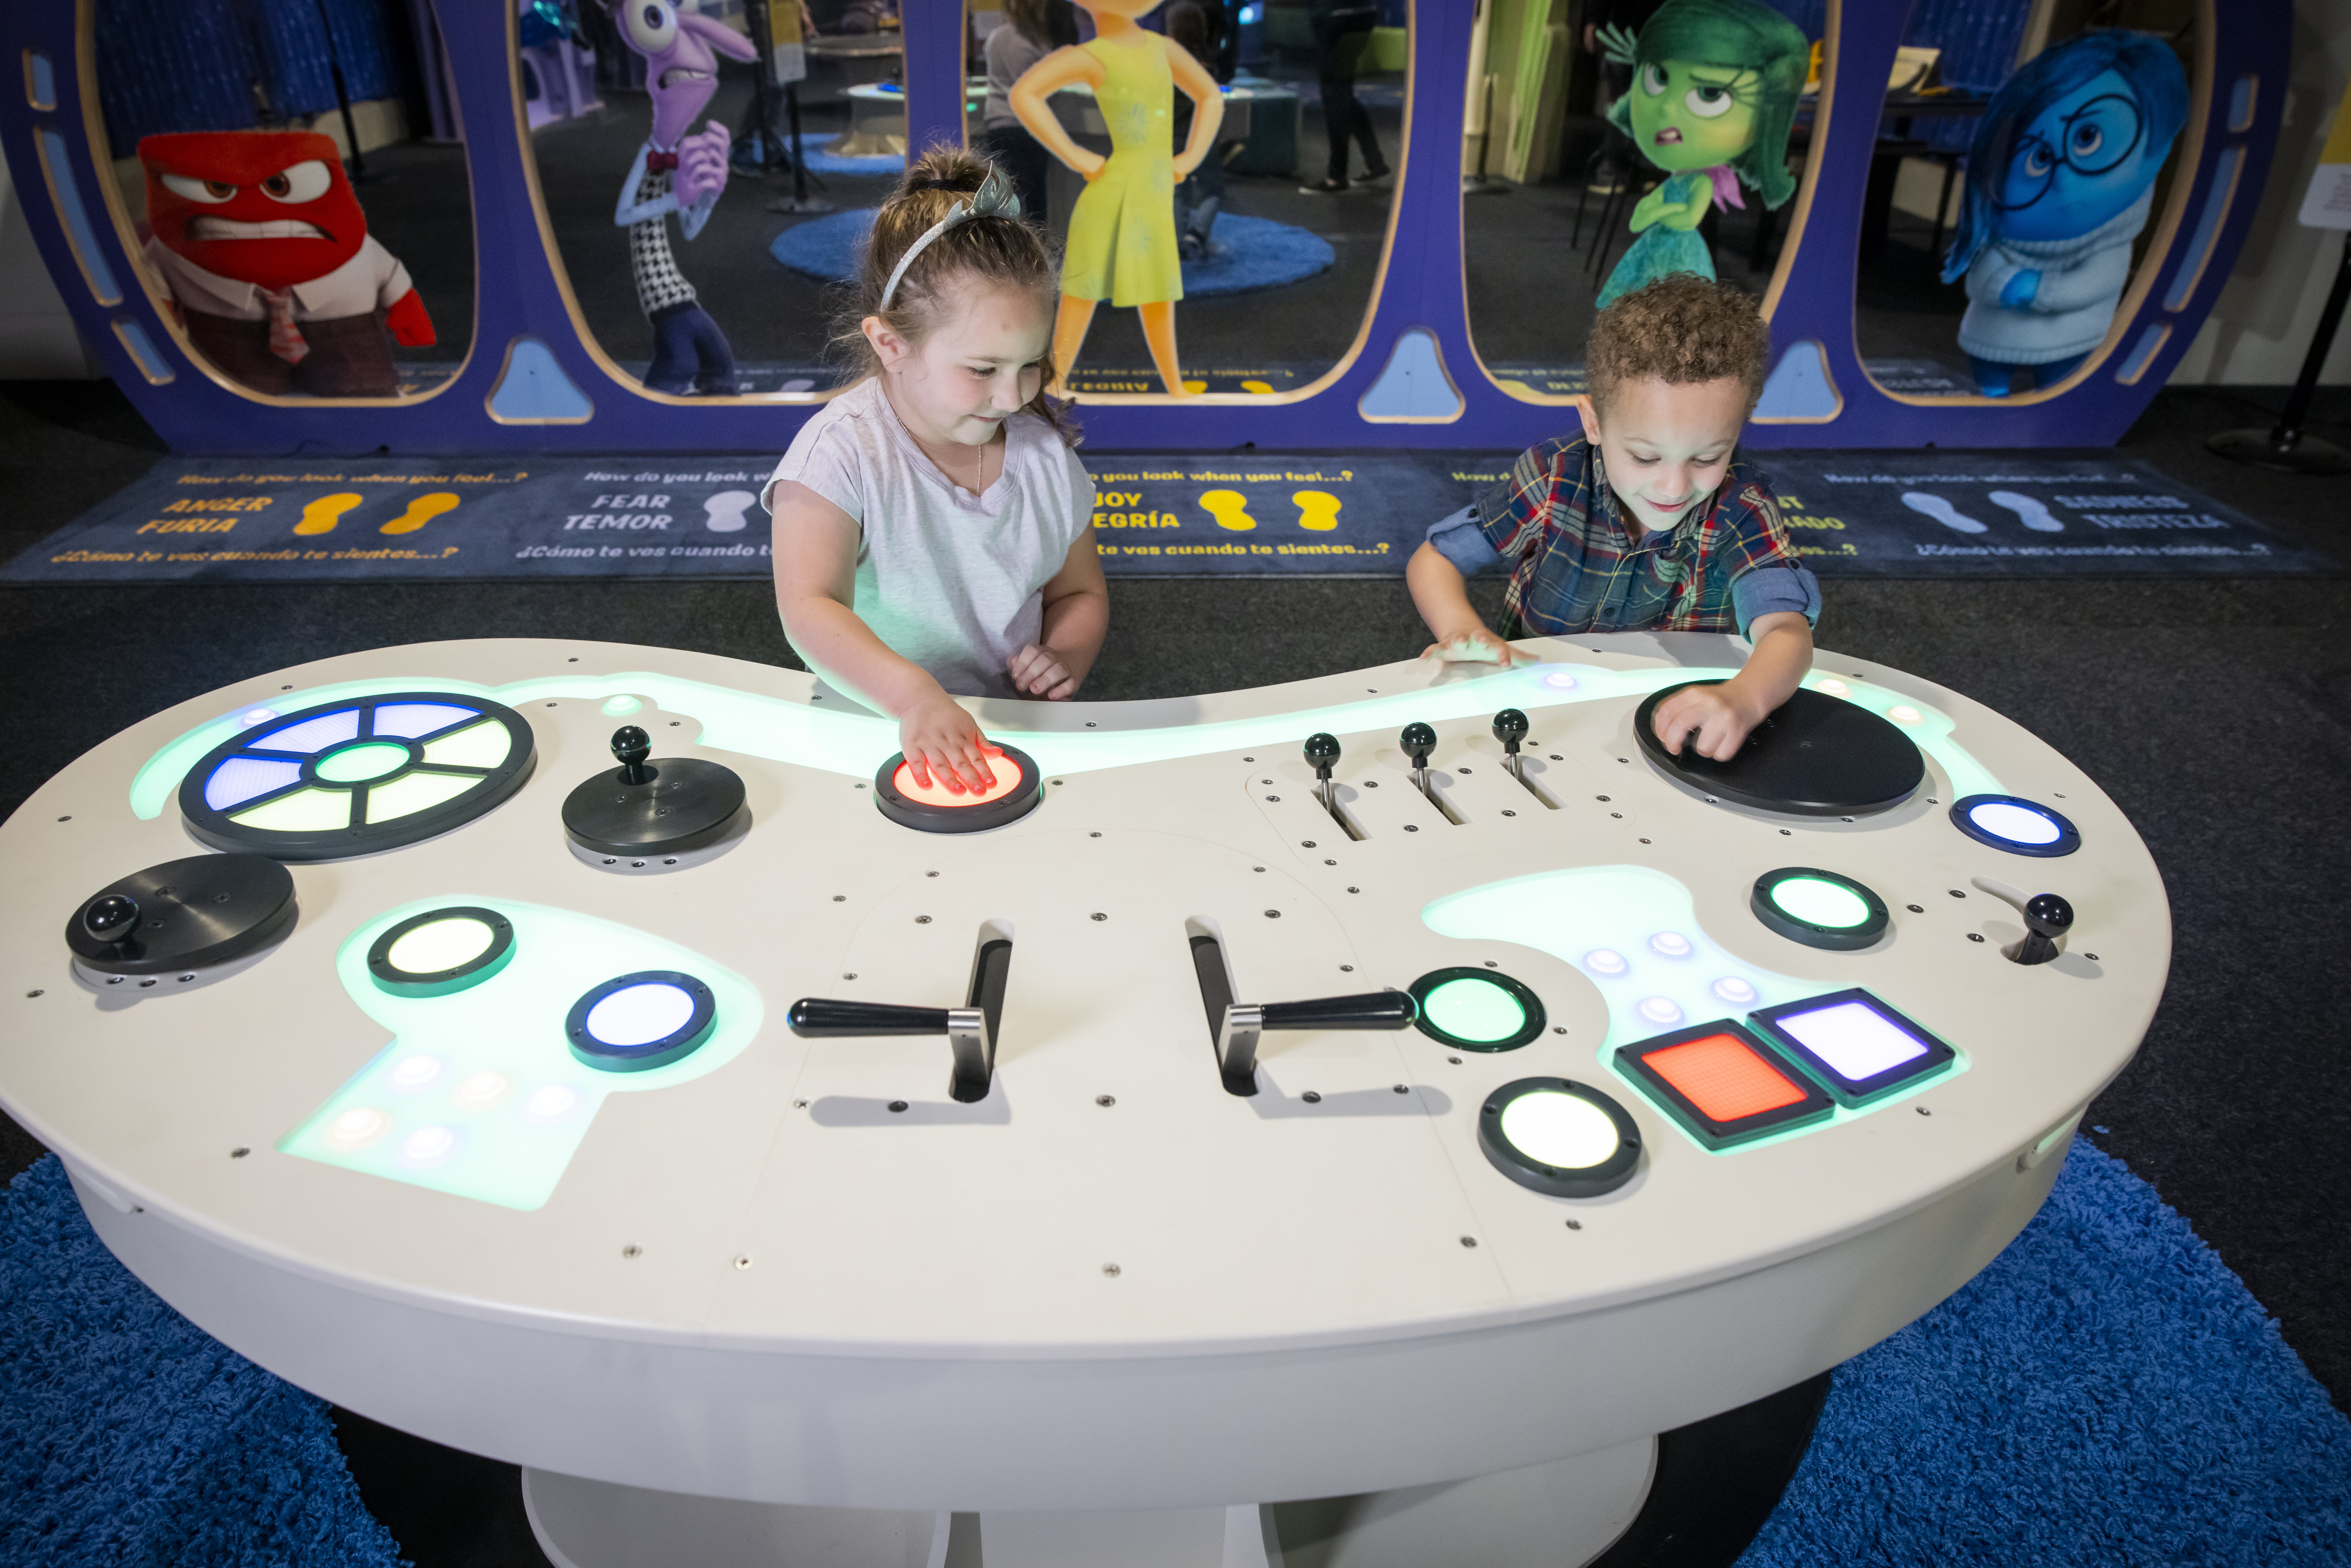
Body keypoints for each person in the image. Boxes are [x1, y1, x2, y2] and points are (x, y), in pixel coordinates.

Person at [764, 148, 1106, 795]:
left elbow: (1079, 594)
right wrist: (914, 698)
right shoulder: (838, 456)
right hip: (873, 729)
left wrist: (1064, 655)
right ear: (890, 345)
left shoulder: (1043, 454)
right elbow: (809, 609)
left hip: (1010, 731)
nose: (1013, 397)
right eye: (982, 370)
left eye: (1030, 364)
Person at [1405, 275, 1818, 761]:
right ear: (1594, 422)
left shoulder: (1743, 505)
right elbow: (1434, 559)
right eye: (1645, 457)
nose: (1674, 487)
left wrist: (1745, 698)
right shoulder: (1554, 476)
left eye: (1707, 458)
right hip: (1536, 708)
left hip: (1668, 718)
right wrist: (1460, 630)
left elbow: (1788, 632)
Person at [1939, 31, 2188, 397]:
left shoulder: (2110, 247)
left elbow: (2098, 281)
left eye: (2087, 137)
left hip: (2069, 340)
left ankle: (2048, 415)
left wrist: (2041, 290)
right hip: (1992, 336)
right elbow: (1979, 279)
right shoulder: (2001, 237)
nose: (2063, 180)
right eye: (2040, 158)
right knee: (1987, 390)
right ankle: (1990, 399)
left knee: (2058, 395)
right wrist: (2004, 283)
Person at [1010, 0, 1224, 397]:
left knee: (1157, 288)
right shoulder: (1092, 56)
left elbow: (1210, 97)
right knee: (1084, 287)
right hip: (1115, 186)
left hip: (1153, 187)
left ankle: (1174, 386)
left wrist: (1191, 158)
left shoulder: (1163, 49)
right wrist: (1074, 155)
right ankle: (1056, 385)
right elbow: (1025, 94)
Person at [1592, 0, 1808, 309]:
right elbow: (1643, 214)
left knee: (1676, 315)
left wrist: (1655, 212)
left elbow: (1687, 218)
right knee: (1635, 310)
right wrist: (1648, 210)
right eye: (1658, 78)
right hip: (1655, 247)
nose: (1668, 108)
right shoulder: (1674, 182)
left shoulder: (1701, 184)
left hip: (1681, 257)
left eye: (1710, 93)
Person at [977, 0, 1078, 228]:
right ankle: (1036, 249)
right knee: (1035, 200)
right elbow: (1045, 90)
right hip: (1031, 129)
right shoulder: (1037, 44)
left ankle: (1006, 247)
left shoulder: (996, 38)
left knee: (1004, 196)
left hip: (998, 125)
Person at [1299, 0, 1390, 195]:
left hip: (1335, 15)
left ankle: (1336, 177)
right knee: (1342, 93)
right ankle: (1375, 163)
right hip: (1364, 12)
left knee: (1334, 96)